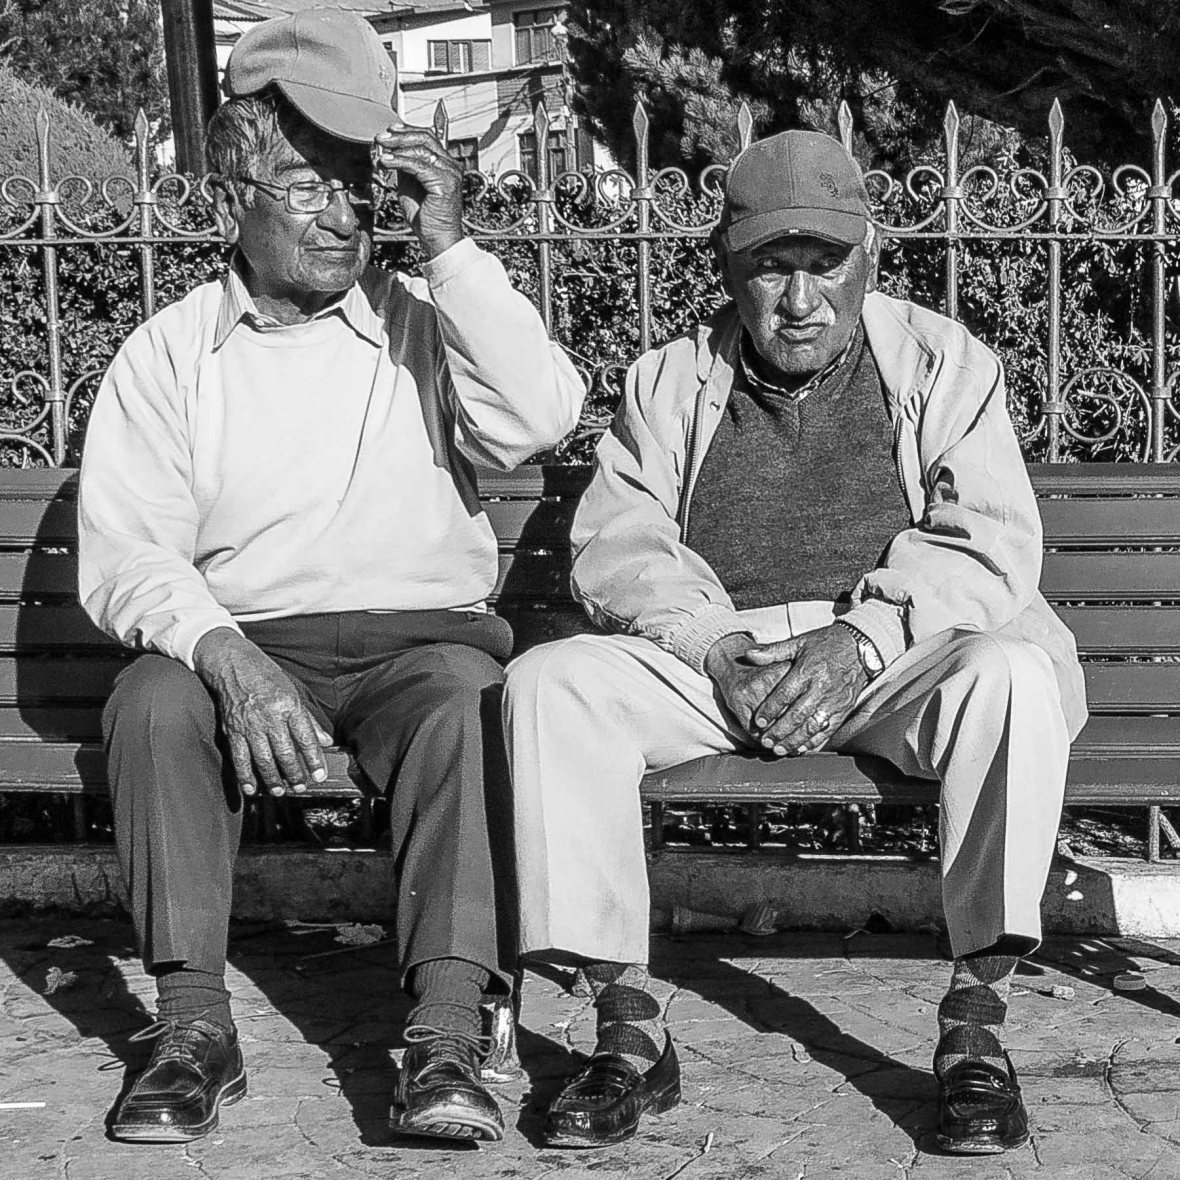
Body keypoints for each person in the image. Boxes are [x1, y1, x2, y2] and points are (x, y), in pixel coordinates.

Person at [503, 129, 1086, 1154]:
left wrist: (860, 639)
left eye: (826, 265)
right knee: (551, 684)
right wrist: (713, 646)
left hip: (890, 650)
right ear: (729, 271)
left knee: (1010, 676)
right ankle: (627, 1029)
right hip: (718, 656)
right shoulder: (667, 379)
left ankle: (975, 1028)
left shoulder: (945, 362)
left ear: (870, 260)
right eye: (773, 268)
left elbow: (987, 542)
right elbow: (621, 541)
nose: (801, 299)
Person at [77, 6, 584, 1147]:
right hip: (250, 645)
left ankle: (446, 1036)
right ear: (233, 199)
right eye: (308, 187)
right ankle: (191, 1027)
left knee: (469, 706)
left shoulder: (426, 321)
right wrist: (225, 655)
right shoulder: (168, 353)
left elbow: (541, 416)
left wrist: (452, 249)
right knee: (153, 701)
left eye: (361, 185)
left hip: (419, 647)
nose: (345, 215)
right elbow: (131, 553)